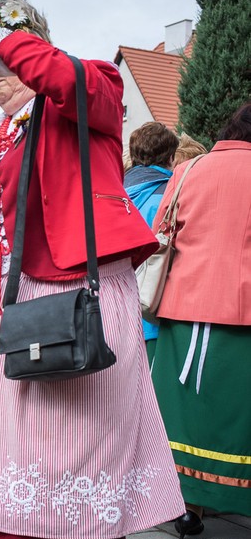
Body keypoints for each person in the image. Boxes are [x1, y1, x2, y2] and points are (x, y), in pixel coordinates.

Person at [0, 0, 183, 539]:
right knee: (3, 460)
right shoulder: (0, 139)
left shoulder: (91, 91)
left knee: (68, 450)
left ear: (30, 48)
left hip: (63, 305)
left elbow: (67, 81)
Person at [150, 102, 251, 539]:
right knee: (240, 412)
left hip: (187, 303)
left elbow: (161, 231)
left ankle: (187, 504)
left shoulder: (189, 170)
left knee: (185, 412)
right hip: (242, 309)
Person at [123, 121, 179, 362]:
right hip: (153, 311)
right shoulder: (170, 197)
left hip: (113, 309)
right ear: (171, 157)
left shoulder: (114, 192)